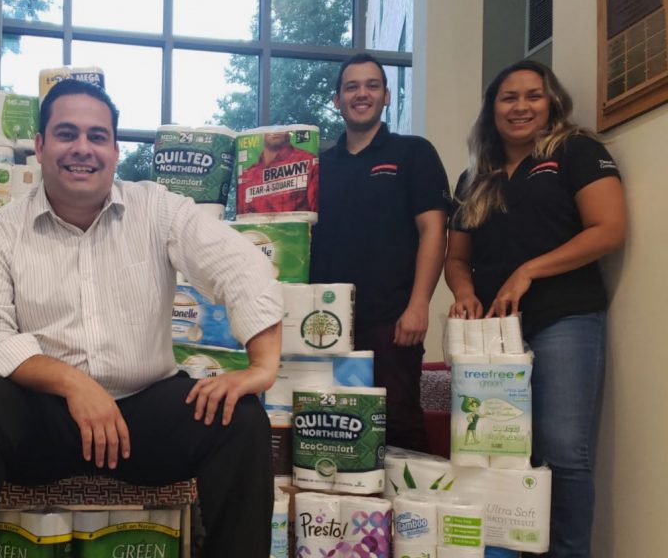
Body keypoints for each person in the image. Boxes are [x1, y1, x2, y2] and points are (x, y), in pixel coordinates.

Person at [0, 79, 283, 557]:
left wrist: (261, 369)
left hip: (143, 417)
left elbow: (242, 265)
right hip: (42, 419)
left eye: (97, 136)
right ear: (41, 146)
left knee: (241, 420)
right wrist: (74, 384)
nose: (82, 149)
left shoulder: (158, 209)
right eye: (67, 134)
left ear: (114, 149)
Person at [445, 60, 626, 557]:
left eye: (533, 96)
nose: (521, 106)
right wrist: (462, 292)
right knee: (493, 453)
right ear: (491, 109)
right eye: (508, 97)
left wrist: (528, 270)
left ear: (552, 103)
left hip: (564, 319)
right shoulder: (473, 178)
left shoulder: (575, 151)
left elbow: (608, 230)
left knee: (563, 452)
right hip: (492, 337)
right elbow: (456, 258)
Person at [309, 53, 450, 452]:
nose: (362, 94)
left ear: (387, 96)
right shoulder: (318, 167)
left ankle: (405, 516)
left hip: (392, 322)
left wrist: (419, 304)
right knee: (326, 430)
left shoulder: (413, 153)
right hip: (323, 324)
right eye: (351, 87)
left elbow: (433, 230)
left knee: (399, 425)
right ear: (336, 100)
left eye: (372, 85)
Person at [237, 129, 318, 214]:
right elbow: (242, 218)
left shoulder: (309, 162)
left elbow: (313, 214)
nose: (275, 132)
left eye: (281, 128)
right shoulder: (247, 176)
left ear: (289, 132)